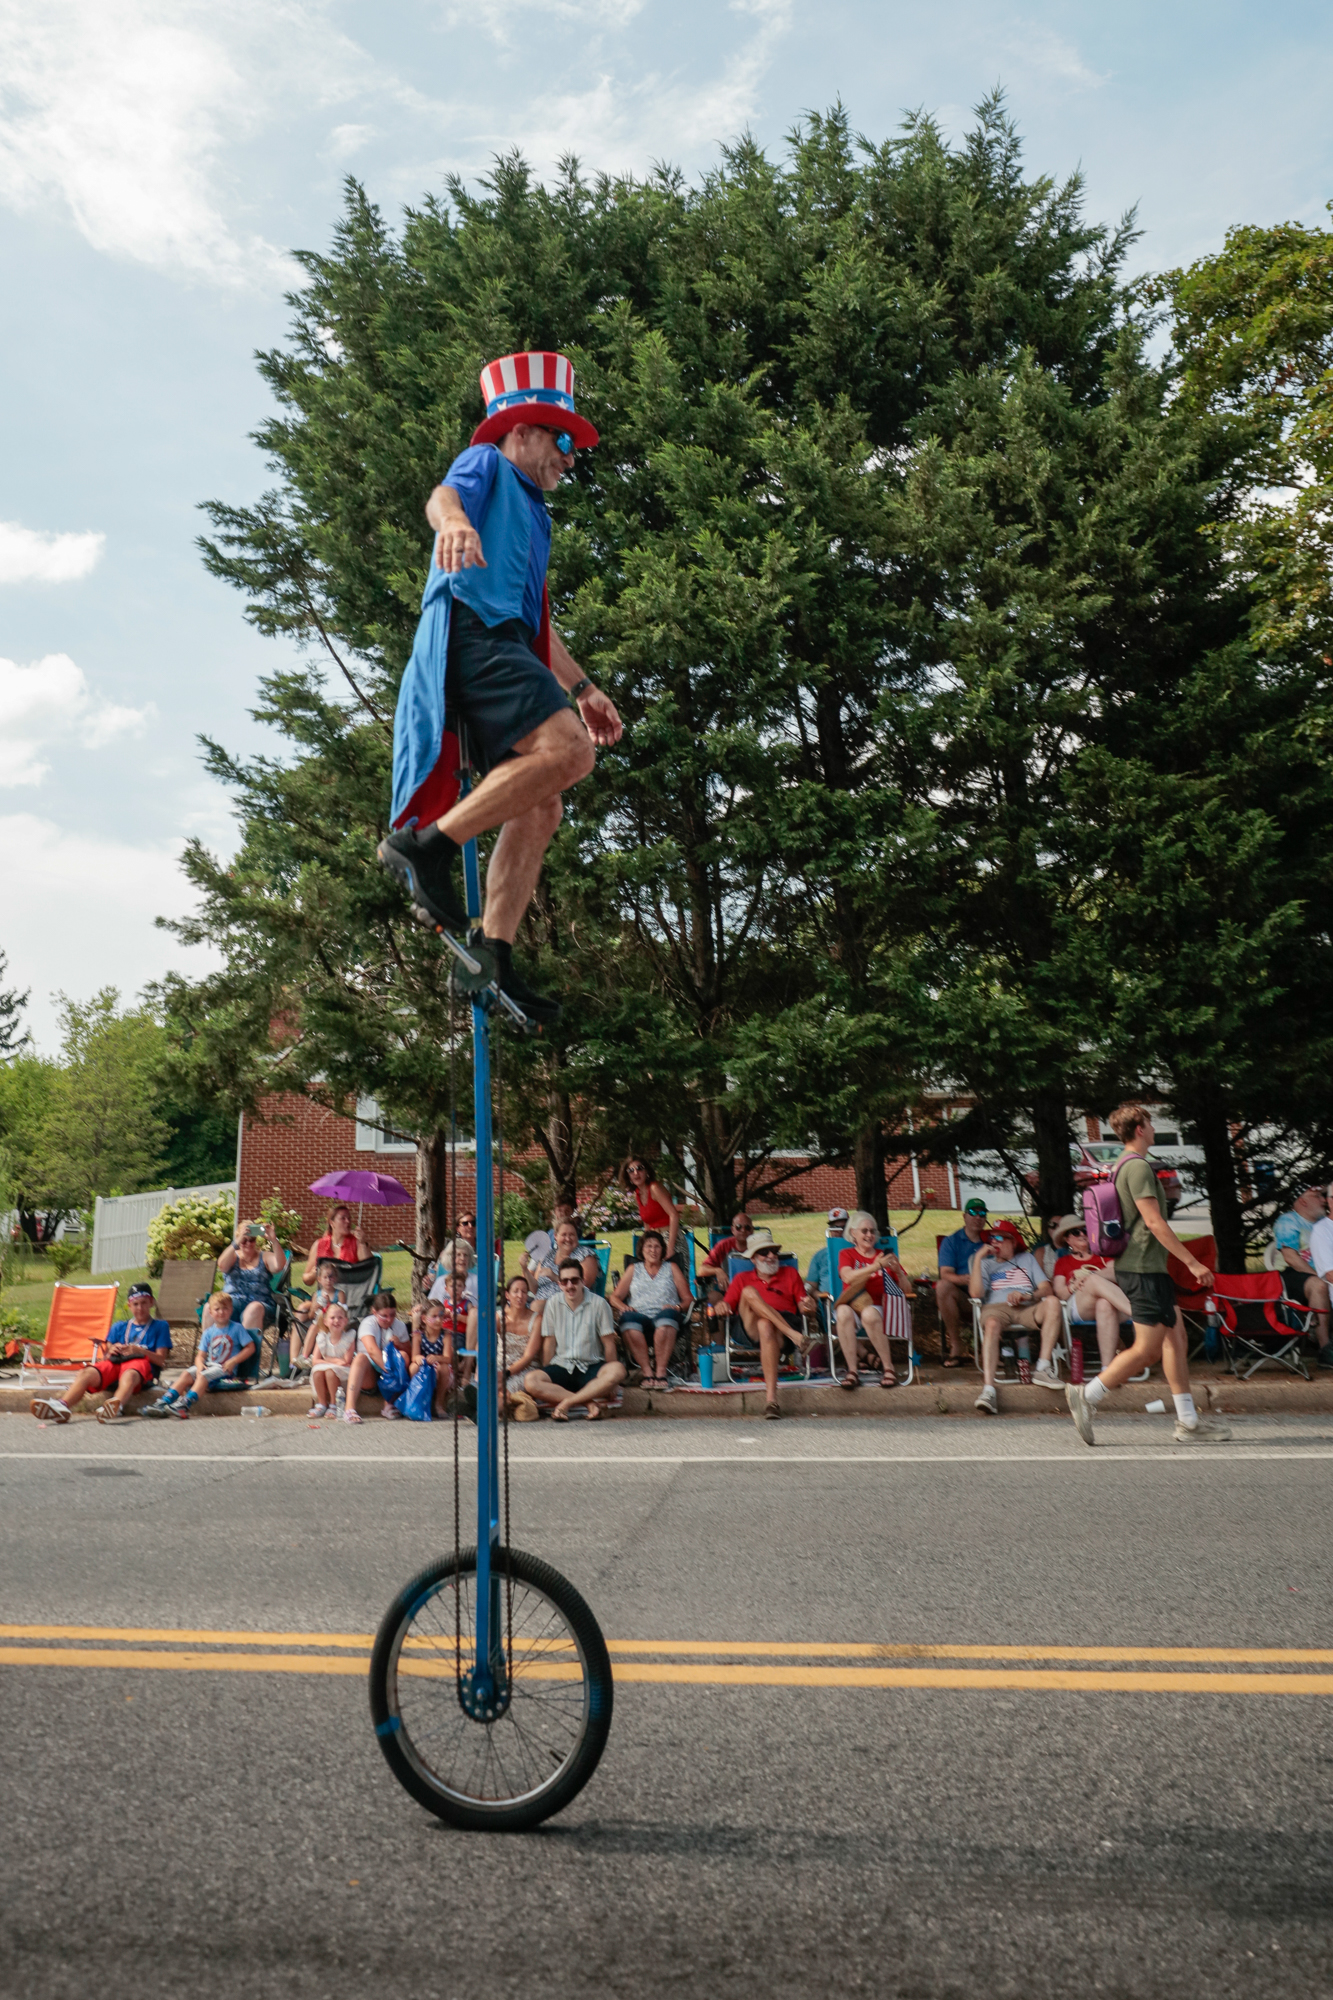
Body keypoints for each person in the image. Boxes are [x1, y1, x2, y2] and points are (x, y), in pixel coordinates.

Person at [379, 351, 623, 1025]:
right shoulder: (488, 465)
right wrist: (453, 524)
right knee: (570, 753)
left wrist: (584, 688)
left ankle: (495, 951)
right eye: (562, 439)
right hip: (471, 635)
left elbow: (538, 626)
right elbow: (441, 496)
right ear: (520, 432)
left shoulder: (535, 516)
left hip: (507, 644)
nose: (570, 457)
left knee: (541, 803)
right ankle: (422, 849)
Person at [1066, 1103, 1228, 1446]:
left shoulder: (1125, 1165)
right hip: (1141, 1270)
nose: (1154, 1129)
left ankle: (1188, 1422)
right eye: (1151, 1124)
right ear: (1140, 1129)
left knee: (1176, 1338)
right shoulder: (1137, 1167)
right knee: (1148, 1349)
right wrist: (1193, 1263)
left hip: (1149, 1268)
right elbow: (1154, 1223)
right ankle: (1087, 1396)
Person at [709, 1228, 816, 1420]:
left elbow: (804, 1308)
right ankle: (795, 1336)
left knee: (765, 1324)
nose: (771, 1256)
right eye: (764, 1252)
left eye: (773, 1252)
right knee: (749, 1292)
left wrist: (810, 1306)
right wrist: (720, 1306)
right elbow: (728, 1305)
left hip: (782, 1328)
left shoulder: (790, 1274)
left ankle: (771, 1401)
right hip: (749, 1327)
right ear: (753, 1259)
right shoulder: (742, 1278)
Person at [31, 1281, 173, 1425]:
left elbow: (161, 1360)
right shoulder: (119, 1327)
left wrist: (139, 1350)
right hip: (116, 1364)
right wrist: (111, 1350)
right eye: (135, 1304)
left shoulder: (160, 1326)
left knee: (129, 1373)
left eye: (144, 1303)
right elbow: (106, 1357)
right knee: (86, 1373)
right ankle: (62, 1406)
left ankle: (116, 1406)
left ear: (151, 1303)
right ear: (129, 1306)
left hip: (140, 1368)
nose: (140, 1308)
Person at [968, 1220, 1063, 1413]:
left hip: (1026, 1306)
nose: (994, 1242)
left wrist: (1027, 1295)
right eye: (992, 1238)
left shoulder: (1027, 1259)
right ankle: (988, 1390)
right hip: (996, 1308)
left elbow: (1046, 1288)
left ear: (1013, 1241)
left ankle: (1043, 1368)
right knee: (992, 1324)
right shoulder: (985, 1264)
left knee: (1052, 1302)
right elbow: (976, 1294)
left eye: (1000, 1238)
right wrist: (978, 1259)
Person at [523, 1259, 625, 1420]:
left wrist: (611, 1385)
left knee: (617, 1370)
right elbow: (549, 1342)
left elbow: (609, 1344)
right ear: (560, 1284)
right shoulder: (553, 1304)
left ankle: (566, 1403)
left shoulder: (599, 1304)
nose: (570, 1285)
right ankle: (588, 1403)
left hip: (591, 1366)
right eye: (565, 1281)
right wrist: (548, 1371)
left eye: (574, 1280)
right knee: (531, 1380)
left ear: (583, 1281)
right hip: (562, 1365)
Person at [833, 1210, 916, 1391]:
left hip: (880, 1308)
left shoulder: (885, 1256)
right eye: (864, 1231)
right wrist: (876, 1266)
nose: (869, 1235)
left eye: (872, 1231)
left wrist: (899, 1272)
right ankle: (852, 1371)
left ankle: (888, 1368)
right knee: (842, 1312)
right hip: (853, 1304)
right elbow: (847, 1277)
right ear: (853, 1233)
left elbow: (907, 1290)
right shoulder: (847, 1254)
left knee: (869, 1313)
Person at [1049, 1215, 1136, 1373]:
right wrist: (1074, 1285)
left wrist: (1089, 1276)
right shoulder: (1063, 1262)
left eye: (1085, 1230)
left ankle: (1107, 1369)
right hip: (1080, 1305)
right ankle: (1137, 1311)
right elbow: (1060, 1293)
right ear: (1068, 1240)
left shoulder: (1103, 1257)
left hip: (1113, 1305)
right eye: (1076, 1232)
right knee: (1094, 1282)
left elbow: (1117, 1273)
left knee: (1104, 1304)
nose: (1082, 1234)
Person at [146, 1294, 255, 1417]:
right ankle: (164, 1401)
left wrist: (234, 1361)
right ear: (210, 1312)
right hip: (209, 1366)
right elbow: (200, 1355)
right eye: (217, 1309)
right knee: (186, 1374)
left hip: (225, 1369)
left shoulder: (237, 1328)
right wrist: (199, 1366)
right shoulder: (209, 1332)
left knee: (203, 1376)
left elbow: (250, 1347)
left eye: (225, 1308)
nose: (221, 1312)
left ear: (231, 1310)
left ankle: (184, 1404)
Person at [611, 1229, 693, 1390]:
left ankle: (661, 1373)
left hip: (666, 1313)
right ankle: (647, 1373)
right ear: (642, 1249)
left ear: (663, 1250)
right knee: (627, 1320)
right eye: (649, 1246)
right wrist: (624, 1307)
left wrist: (677, 1307)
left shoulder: (672, 1267)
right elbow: (614, 1297)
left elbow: (688, 1299)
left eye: (657, 1247)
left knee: (666, 1319)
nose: (653, 1250)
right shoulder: (634, 1269)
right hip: (639, 1315)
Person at [1272, 1188, 1332, 1366]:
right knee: (1319, 1286)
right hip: (1288, 1278)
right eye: (1318, 1196)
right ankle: (1325, 1350)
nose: (1323, 1200)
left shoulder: (1325, 1223)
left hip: (1320, 1275)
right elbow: (1291, 1258)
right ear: (1303, 1201)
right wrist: (1322, 1277)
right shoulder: (1289, 1220)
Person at [218, 1217, 286, 1361]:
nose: (248, 1243)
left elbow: (279, 1265)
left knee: (253, 1309)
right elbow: (222, 1266)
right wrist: (236, 1243)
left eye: (252, 1240)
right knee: (211, 1308)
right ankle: (215, 1360)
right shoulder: (232, 1256)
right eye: (244, 1240)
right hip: (233, 1302)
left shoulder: (264, 1256)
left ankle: (245, 1366)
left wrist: (274, 1240)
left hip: (260, 1305)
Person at [934, 1197, 990, 1367]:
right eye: (973, 1212)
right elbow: (945, 1274)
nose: (978, 1217)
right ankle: (957, 1346)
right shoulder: (951, 1241)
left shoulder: (994, 1239)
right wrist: (964, 1279)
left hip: (991, 1295)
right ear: (964, 1216)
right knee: (943, 1287)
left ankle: (992, 1351)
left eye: (982, 1213)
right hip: (966, 1297)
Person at [343, 1292, 410, 1424]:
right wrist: (389, 1371)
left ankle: (389, 1404)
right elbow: (372, 1350)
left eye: (392, 1315)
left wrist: (400, 1344)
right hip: (372, 1374)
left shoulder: (399, 1326)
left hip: (391, 1376)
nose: (389, 1320)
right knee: (360, 1358)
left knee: (403, 1356)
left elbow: (410, 1350)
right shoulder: (368, 1324)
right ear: (374, 1312)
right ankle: (349, 1408)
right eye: (384, 1316)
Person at [623, 1158, 682, 1259]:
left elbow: (674, 1215)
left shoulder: (654, 1188)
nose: (636, 1173)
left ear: (647, 1172)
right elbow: (647, 1223)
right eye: (631, 1170)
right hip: (654, 1240)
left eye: (640, 1168)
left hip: (670, 1237)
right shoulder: (638, 1193)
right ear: (628, 1176)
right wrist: (646, 1245)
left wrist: (670, 1247)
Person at [530, 1220, 600, 1303]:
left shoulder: (585, 1255)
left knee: (536, 1306)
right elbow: (535, 1289)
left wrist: (555, 1277)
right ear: (556, 1236)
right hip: (538, 1302)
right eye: (564, 1235)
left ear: (577, 1237)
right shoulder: (548, 1256)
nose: (568, 1238)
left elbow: (583, 1286)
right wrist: (524, 1268)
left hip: (568, 1304)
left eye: (572, 1235)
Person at [409, 1299, 456, 1418]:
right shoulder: (418, 1335)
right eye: (434, 1316)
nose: (438, 1320)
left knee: (443, 1367)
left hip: (441, 1371)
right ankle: (416, 1402)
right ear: (424, 1319)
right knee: (413, 1367)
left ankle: (439, 1404)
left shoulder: (446, 1335)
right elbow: (414, 1356)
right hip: (425, 1370)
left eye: (441, 1316)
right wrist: (418, 1357)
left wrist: (436, 1358)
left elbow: (448, 1359)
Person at [301, 1204, 369, 1285]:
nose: (348, 1221)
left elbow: (369, 1269)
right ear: (332, 1223)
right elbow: (306, 1280)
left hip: (351, 1292)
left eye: (349, 1218)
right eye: (343, 1218)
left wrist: (363, 1243)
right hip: (326, 1295)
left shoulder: (356, 1242)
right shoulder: (319, 1244)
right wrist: (313, 1274)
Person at [308, 1302, 356, 1417]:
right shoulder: (322, 1338)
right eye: (332, 1318)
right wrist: (332, 1360)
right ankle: (322, 1403)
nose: (336, 1321)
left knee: (330, 1372)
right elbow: (315, 1360)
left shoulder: (349, 1337)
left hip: (343, 1372)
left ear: (346, 1321)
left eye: (340, 1318)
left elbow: (345, 1361)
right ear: (325, 1321)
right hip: (329, 1366)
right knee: (318, 1371)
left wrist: (328, 1360)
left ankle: (334, 1404)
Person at [698, 1211, 753, 1296]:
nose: (743, 1230)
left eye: (747, 1227)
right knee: (713, 1297)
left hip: (753, 1291)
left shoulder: (759, 1246)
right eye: (738, 1227)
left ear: (752, 1230)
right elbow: (702, 1270)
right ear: (732, 1230)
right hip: (728, 1291)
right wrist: (718, 1270)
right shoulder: (723, 1246)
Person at [803, 1208, 850, 1301]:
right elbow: (810, 1286)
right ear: (830, 1231)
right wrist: (820, 1295)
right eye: (834, 1228)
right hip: (828, 1305)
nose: (839, 1231)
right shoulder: (820, 1256)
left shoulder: (859, 1250)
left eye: (843, 1227)